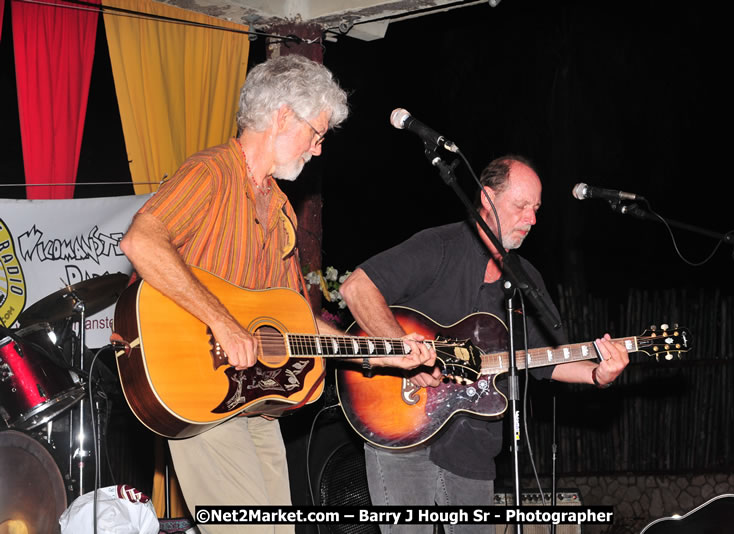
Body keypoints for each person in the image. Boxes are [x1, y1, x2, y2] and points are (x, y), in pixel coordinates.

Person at [119, 54, 435, 534]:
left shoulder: (281, 208)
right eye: (317, 133)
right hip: (199, 390)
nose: (318, 148)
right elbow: (141, 240)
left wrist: (385, 352)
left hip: (256, 403)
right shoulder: (210, 173)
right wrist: (223, 322)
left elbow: (296, 323)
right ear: (283, 115)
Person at [339, 155, 630, 534]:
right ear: (486, 197)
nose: (532, 219)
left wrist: (598, 374)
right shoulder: (439, 246)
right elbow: (356, 287)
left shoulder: (527, 280)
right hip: (400, 428)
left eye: (537, 209)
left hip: (473, 449)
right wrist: (404, 352)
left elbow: (544, 360)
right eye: (521, 205)